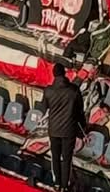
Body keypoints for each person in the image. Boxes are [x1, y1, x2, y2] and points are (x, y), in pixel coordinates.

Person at [43, 61, 87, 191]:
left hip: (54, 129)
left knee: (55, 157)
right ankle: (64, 185)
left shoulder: (48, 91)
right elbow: (80, 112)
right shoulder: (74, 91)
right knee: (66, 159)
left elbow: (44, 108)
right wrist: (82, 130)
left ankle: (56, 183)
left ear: (54, 74)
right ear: (64, 73)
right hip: (69, 130)